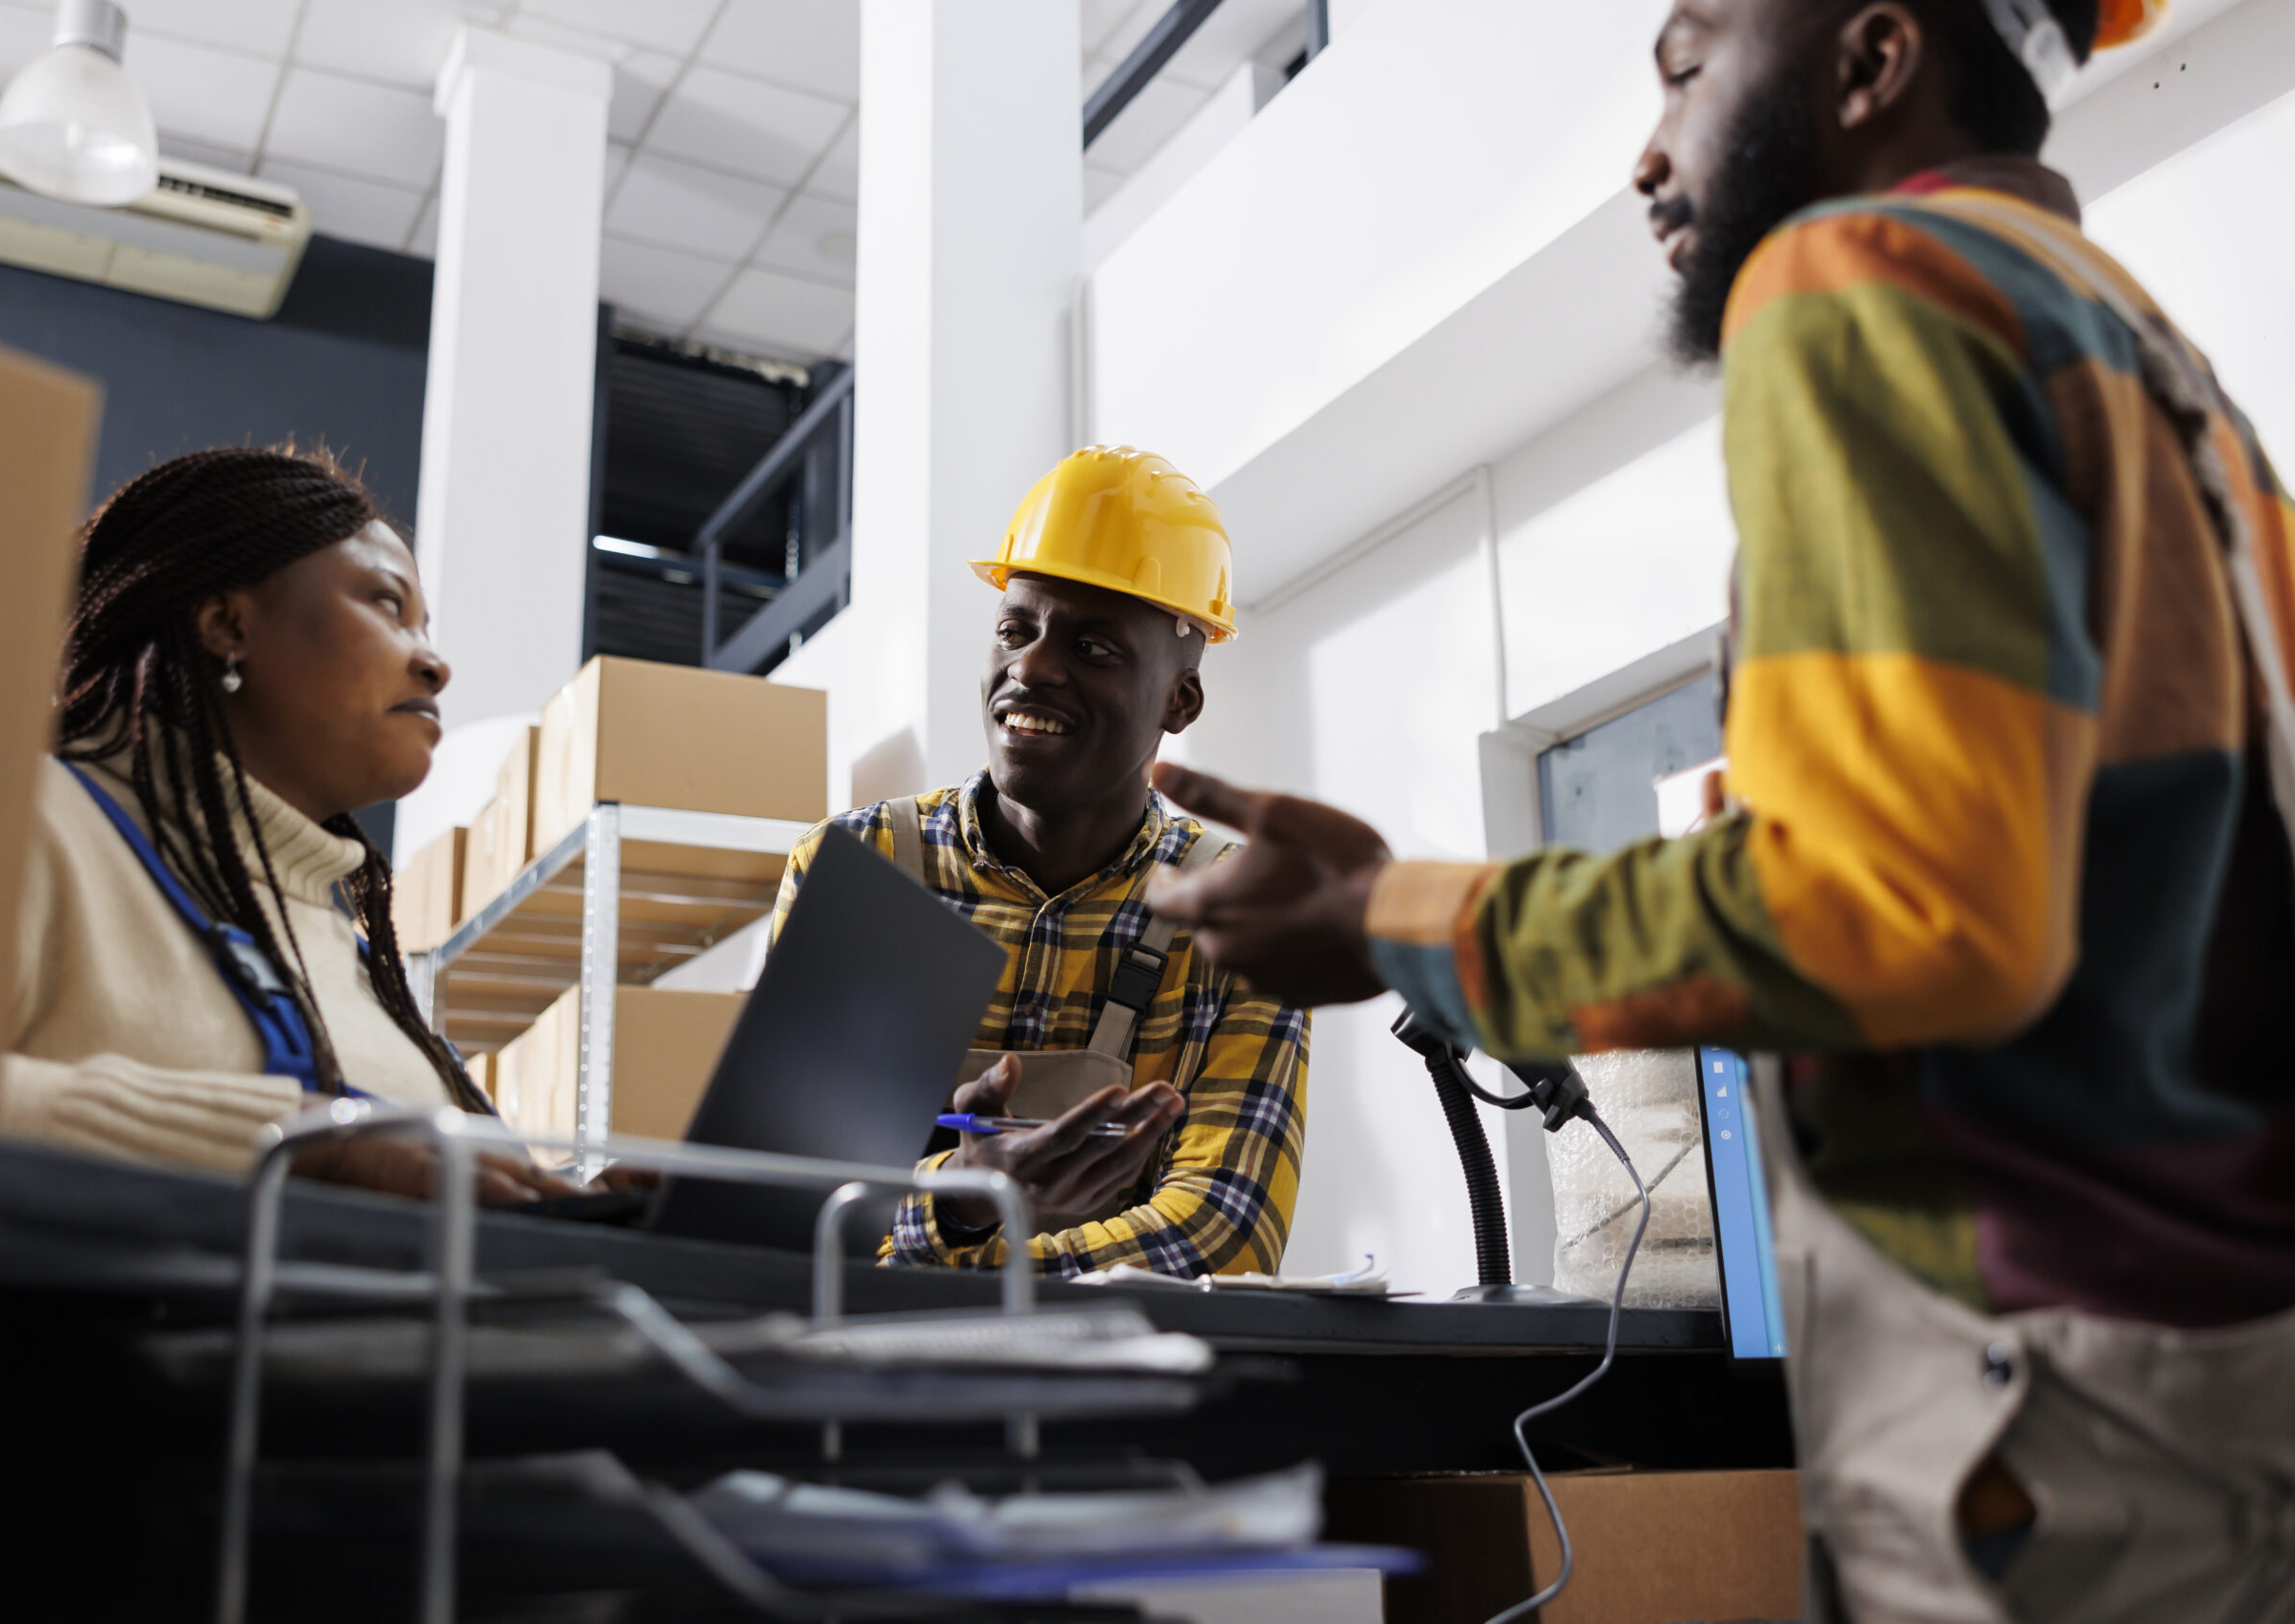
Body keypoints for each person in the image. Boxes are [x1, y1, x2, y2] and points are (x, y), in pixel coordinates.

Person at [1149, 1, 2295, 1619]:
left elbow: (1908, 913)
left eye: (1685, 69)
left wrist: (1391, 916)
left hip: (2043, 1418)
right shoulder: (2164, 379)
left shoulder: (1863, 284)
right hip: (2233, 1386)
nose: (1646, 153)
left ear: (1870, 59)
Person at [770, 446, 1308, 1277]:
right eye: (1016, 629)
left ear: (1180, 700)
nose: (1032, 667)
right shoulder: (860, 870)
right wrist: (960, 1195)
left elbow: (1224, 1229)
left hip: (1119, 1392)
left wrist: (951, 1252)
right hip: (865, 1384)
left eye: (1094, 649)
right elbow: (792, 1200)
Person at [0, 446, 579, 1206]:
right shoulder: (27, 825)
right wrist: (292, 1146)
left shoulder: (354, 958)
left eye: (425, 624)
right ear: (226, 625)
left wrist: (579, 1211)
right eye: (385, 604)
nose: (435, 664)